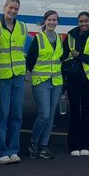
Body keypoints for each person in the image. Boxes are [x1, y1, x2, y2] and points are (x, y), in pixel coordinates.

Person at [0, 0, 29, 164]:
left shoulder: (22, 26)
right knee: (2, 114)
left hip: (18, 75)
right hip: (3, 76)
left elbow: (23, 48)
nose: (13, 11)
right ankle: (1, 152)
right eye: (10, 8)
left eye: (16, 9)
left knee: (17, 115)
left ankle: (13, 150)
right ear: (4, 7)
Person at [62, 11, 89, 156]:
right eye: (81, 21)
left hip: (87, 81)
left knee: (86, 112)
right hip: (72, 79)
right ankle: (73, 145)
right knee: (74, 112)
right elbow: (63, 56)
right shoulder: (70, 36)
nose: (83, 24)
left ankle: (86, 144)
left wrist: (79, 55)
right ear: (78, 22)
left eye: (86, 21)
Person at [25, 10, 65, 159]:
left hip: (56, 81)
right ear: (44, 22)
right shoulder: (39, 39)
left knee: (51, 116)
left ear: (57, 22)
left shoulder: (59, 38)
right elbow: (30, 60)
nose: (52, 22)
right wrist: (37, 74)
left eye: (54, 20)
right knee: (44, 114)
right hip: (41, 81)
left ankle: (44, 145)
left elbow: (60, 58)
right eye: (49, 20)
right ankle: (33, 143)